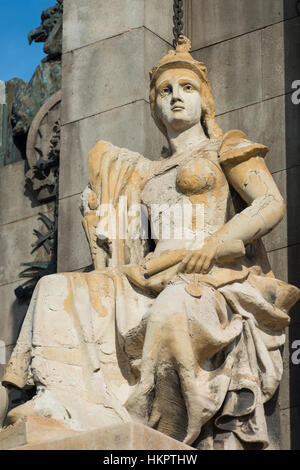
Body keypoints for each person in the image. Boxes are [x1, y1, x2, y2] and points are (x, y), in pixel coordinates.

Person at [1, 36, 299, 450]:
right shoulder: (145, 173)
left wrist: (214, 244)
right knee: (55, 287)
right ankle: (62, 401)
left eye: (187, 88)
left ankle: (163, 429)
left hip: (211, 278)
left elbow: (269, 203)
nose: (176, 97)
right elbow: (127, 243)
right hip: (149, 275)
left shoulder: (225, 145)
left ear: (204, 101)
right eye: (166, 91)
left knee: (174, 308)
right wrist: (100, 214)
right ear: (155, 107)